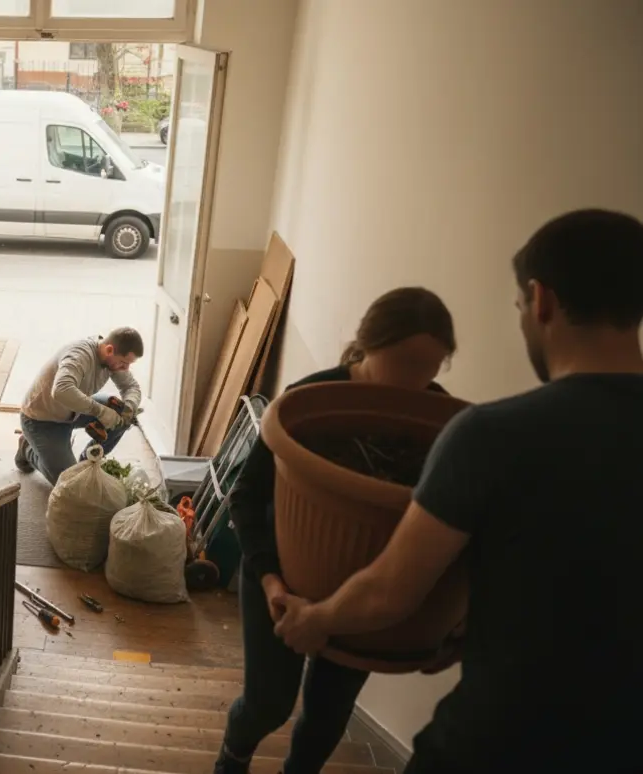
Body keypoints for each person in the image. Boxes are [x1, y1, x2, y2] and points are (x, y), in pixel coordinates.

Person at [273, 209, 643, 774]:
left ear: (540, 300)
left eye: (520, 308)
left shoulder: (491, 435)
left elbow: (390, 592)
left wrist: (315, 620)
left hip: (499, 744)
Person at [214, 287, 458, 774]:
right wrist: (271, 580)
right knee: (268, 703)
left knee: (328, 714)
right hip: (279, 578)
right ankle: (231, 760)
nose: (419, 381)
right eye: (407, 362)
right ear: (369, 343)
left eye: (431, 368)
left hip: (361, 596)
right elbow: (245, 496)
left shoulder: (437, 419)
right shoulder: (311, 402)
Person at [15, 327, 144, 485]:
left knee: (122, 414)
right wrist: (100, 411)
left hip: (74, 410)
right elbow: (62, 390)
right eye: (124, 363)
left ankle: (87, 462)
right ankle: (27, 450)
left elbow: (131, 387)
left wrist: (129, 408)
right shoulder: (79, 355)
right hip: (42, 420)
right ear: (110, 349)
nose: (126, 369)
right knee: (69, 483)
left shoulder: (111, 359)